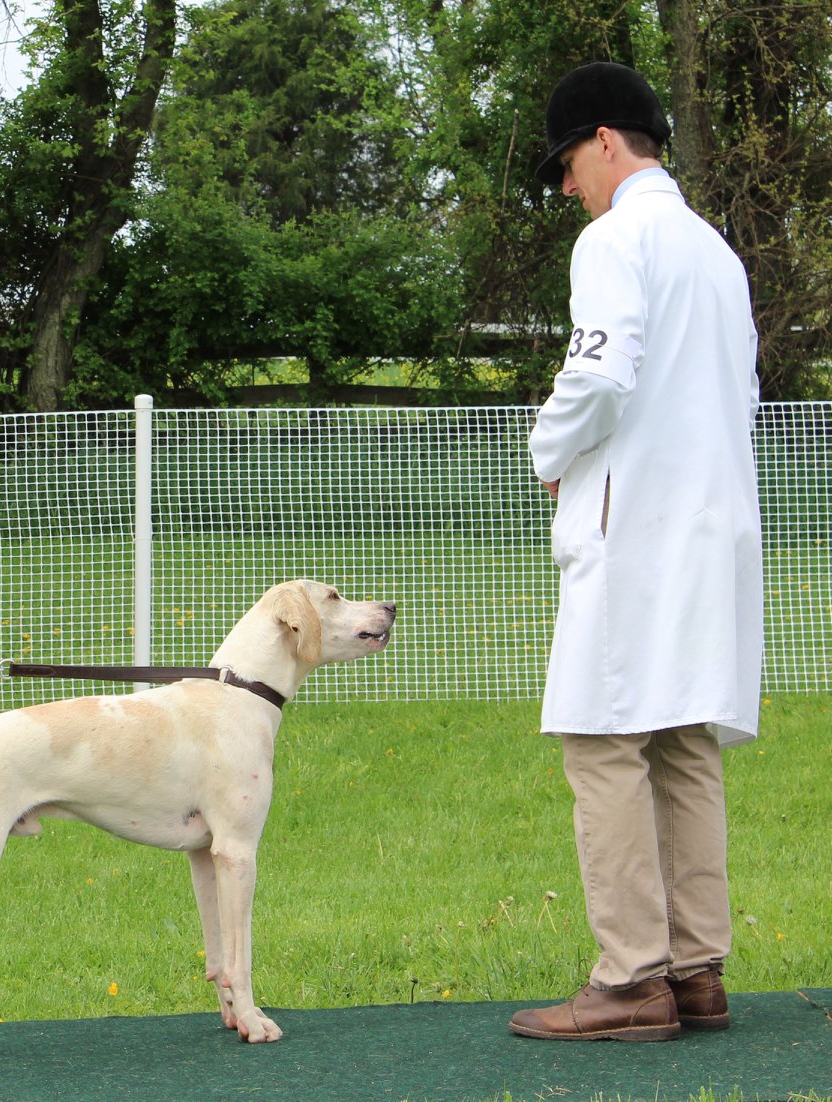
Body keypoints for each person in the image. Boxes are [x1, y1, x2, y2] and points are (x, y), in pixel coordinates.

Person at [511, 63, 762, 1042]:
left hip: (635, 524)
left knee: (603, 738)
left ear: (606, 140)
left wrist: (549, 451)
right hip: (711, 522)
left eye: (568, 162)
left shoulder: (614, 239)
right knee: (684, 736)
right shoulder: (715, 251)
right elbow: (738, 398)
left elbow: (602, 371)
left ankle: (628, 981)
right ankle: (697, 969)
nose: (567, 184)